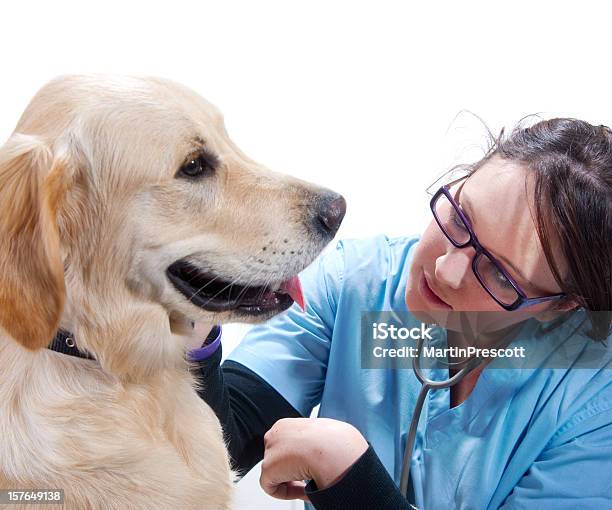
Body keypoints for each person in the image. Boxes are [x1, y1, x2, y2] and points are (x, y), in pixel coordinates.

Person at [188, 118, 612, 509]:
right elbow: (221, 443)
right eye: (461, 218)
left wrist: (350, 475)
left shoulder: (596, 402)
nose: (447, 269)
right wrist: (195, 312)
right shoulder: (356, 283)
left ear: (559, 305)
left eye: (499, 274)